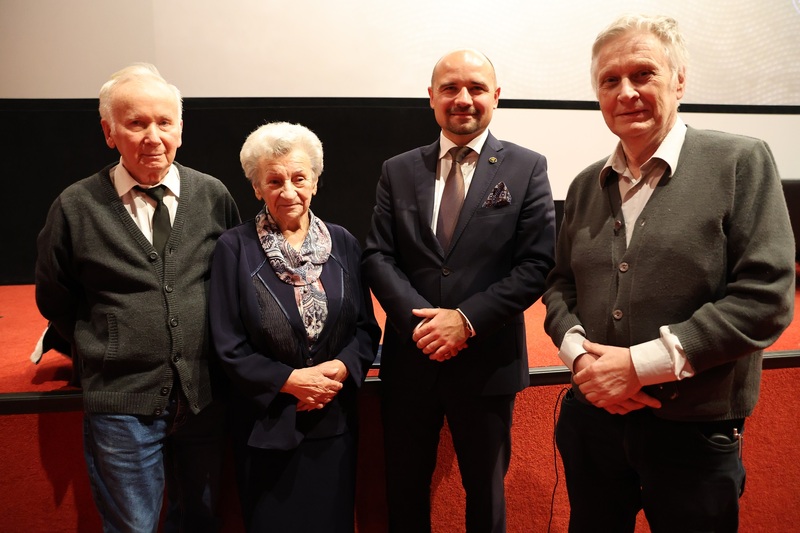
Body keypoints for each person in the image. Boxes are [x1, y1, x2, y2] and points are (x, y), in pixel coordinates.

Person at [543, 14, 795, 533]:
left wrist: (639, 365)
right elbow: (559, 285)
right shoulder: (588, 184)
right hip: (593, 424)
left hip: (695, 433)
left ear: (679, 79)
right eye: (610, 81)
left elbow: (765, 297)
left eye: (643, 74)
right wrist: (580, 361)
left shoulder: (740, 161)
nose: (626, 92)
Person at [35, 63, 241, 532]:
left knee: (202, 520)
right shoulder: (75, 206)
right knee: (134, 527)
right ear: (109, 132)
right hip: (120, 403)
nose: (153, 136)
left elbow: (233, 280)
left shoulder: (213, 195)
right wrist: (107, 345)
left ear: (181, 130)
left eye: (164, 122)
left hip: (204, 398)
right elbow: (56, 296)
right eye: (136, 123)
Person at [363, 49, 556, 532]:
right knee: (404, 490)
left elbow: (536, 264)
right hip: (411, 359)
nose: (462, 99)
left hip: (488, 361)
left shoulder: (527, 168)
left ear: (496, 96)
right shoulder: (398, 170)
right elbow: (378, 256)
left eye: (475, 88)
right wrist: (423, 323)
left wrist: (464, 322)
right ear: (431, 98)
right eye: (450, 88)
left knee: (485, 497)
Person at [208, 122, 381, 532]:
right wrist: (290, 381)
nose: (288, 191)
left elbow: (365, 329)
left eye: (299, 178)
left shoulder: (344, 243)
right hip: (266, 426)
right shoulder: (233, 248)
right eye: (274, 180)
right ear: (257, 188)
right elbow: (227, 343)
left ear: (315, 183)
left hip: (333, 424)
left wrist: (336, 372)